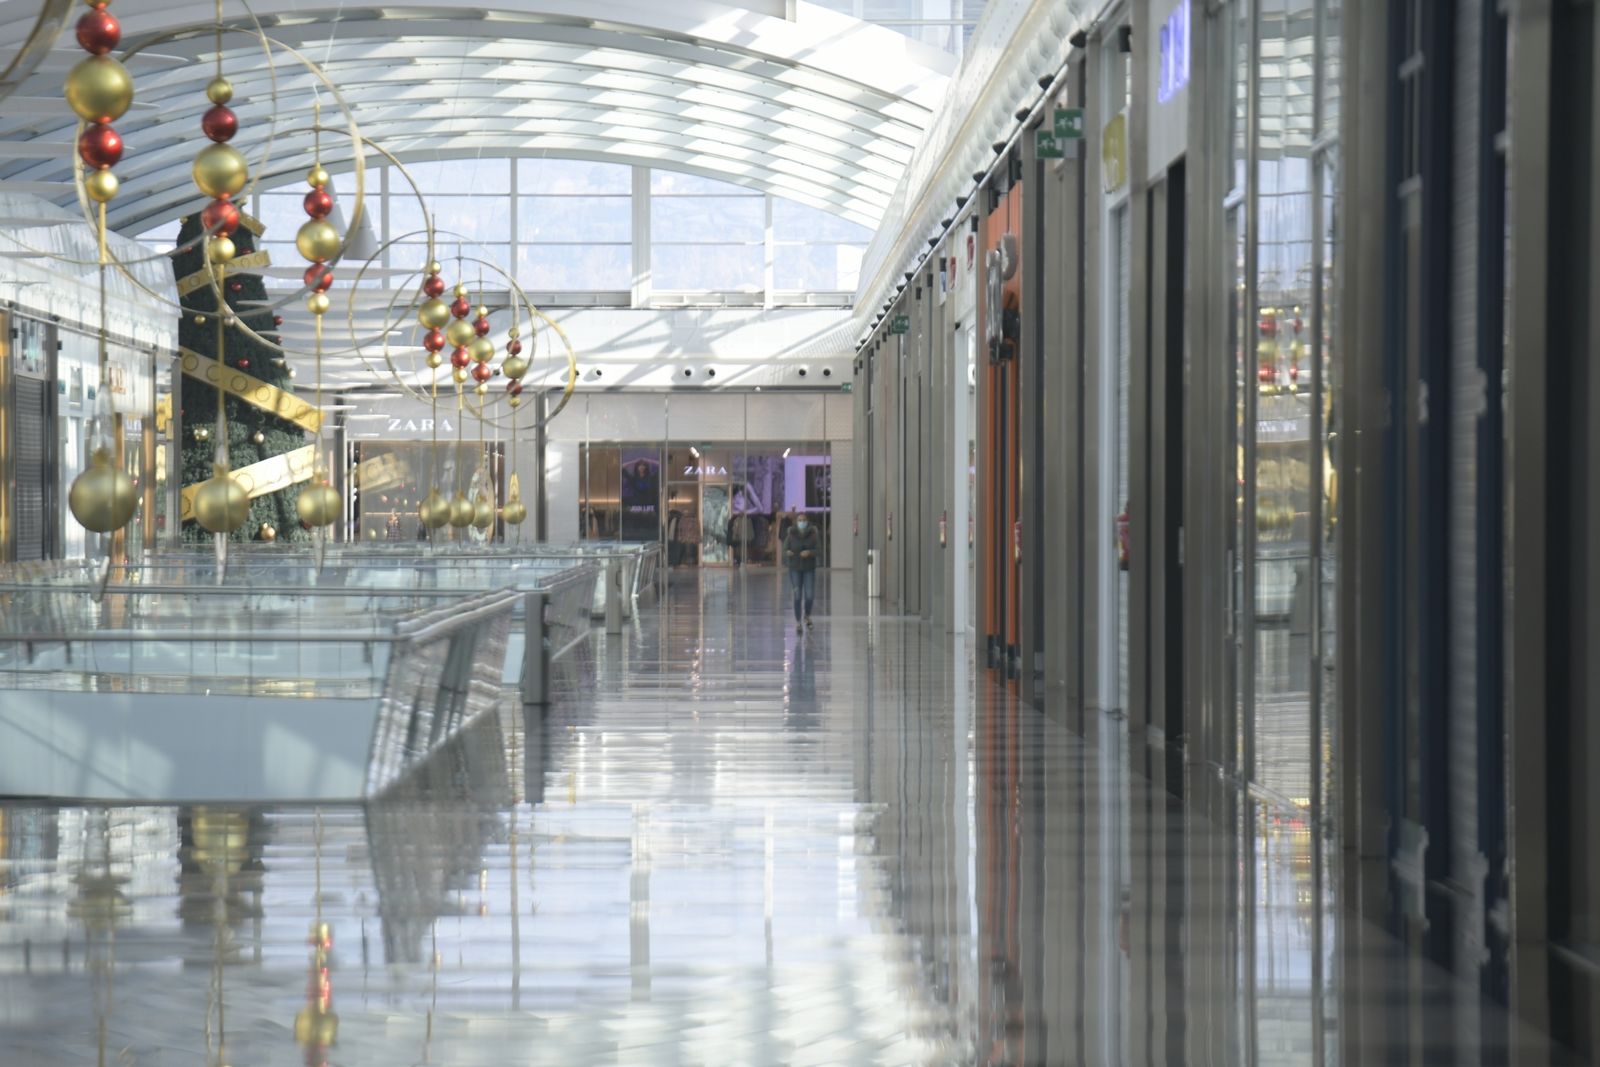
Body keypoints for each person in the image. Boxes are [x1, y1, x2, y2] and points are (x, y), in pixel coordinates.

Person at [782, 511, 822, 632]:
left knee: (809, 595)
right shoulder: (791, 534)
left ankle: (807, 615)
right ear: (796, 522)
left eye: (804, 520)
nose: (802, 522)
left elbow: (819, 550)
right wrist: (787, 552)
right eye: (800, 520)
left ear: (807, 521)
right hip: (795, 568)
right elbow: (784, 549)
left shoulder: (813, 535)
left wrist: (809, 552)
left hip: (809, 569)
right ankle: (798, 621)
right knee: (797, 595)